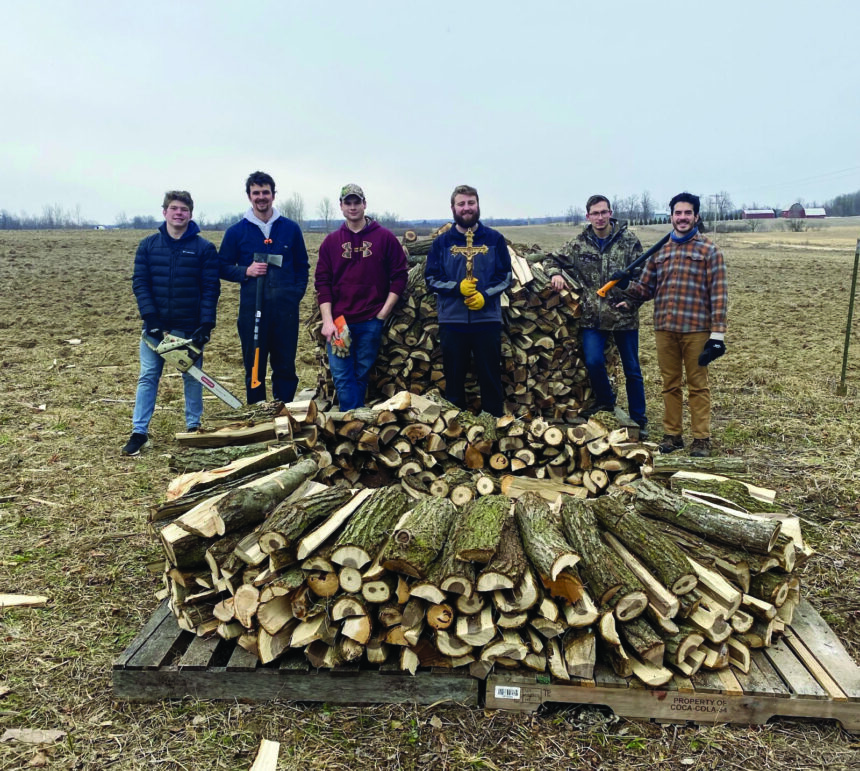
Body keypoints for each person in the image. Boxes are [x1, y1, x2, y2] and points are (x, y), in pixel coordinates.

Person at [614, 192, 727, 457]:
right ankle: (672, 435)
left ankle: (701, 438)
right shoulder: (660, 251)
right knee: (670, 384)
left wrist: (717, 335)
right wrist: (625, 286)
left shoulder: (709, 250)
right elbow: (646, 288)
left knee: (698, 385)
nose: (683, 217)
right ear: (671, 216)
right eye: (678, 213)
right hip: (665, 328)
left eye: (688, 213)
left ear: (696, 216)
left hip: (696, 330)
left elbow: (719, 295)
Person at [123, 191, 220, 456]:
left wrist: (206, 324)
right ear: (164, 211)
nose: (179, 213)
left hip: (188, 329)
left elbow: (210, 288)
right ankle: (139, 432)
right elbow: (140, 282)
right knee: (148, 377)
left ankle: (193, 428)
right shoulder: (148, 246)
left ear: (190, 214)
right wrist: (150, 318)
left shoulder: (204, 248)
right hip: (155, 329)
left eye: (184, 209)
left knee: (192, 378)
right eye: (174, 208)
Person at [543, 195, 648, 438]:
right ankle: (606, 402)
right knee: (593, 361)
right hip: (593, 316)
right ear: (588, 216)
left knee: (632, 369)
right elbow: (551, 259)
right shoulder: (579, 243)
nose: (600, 217)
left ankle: (639, 420)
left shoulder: (629, 241)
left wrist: (632, 300)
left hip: (624, 316)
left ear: (610, 213)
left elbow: (645, 277)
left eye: (604, 212)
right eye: (595, 213)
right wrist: (555, 273)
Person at [219, 171, 309, 404]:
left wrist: (294, 295)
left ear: (273, 195)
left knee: (285, 365)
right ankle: (258, 415)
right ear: (249, 196)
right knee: (255, 366)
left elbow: (302, 265)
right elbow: (221, 266)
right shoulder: (237, 232)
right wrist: (245, 271)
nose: (261, 197)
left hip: (285, 311)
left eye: (265, 192)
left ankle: (285, 412)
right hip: (252, 311)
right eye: (256, 193)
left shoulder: (290, 228)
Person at [315, 184, 408, 410]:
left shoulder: (384, 238)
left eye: (357, 202)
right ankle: (355, 419)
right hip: (340, 323)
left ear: (365, 204)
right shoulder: (331, 242)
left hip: (370, 321)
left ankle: (352, 423)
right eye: (348, 202)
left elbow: (399, 277)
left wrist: (382, 313)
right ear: (341, 206)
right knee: (341, 373)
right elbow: (322, 283)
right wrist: (327, 320)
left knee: (361, 371)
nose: (353, 207)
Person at [425, 184, 512, 417]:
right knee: (454, 379)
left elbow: (505, 276)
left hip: (487, 319)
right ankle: (457, 426)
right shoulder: (442, 243)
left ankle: (492, 424)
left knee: (490, 377)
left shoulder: (494, 239)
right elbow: (431, 278)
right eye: (461, 204)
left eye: (471, 203)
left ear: (478, 205)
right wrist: (456, 288)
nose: (466, 208)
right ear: (453, 208)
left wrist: (485, 295)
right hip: (453, 320)